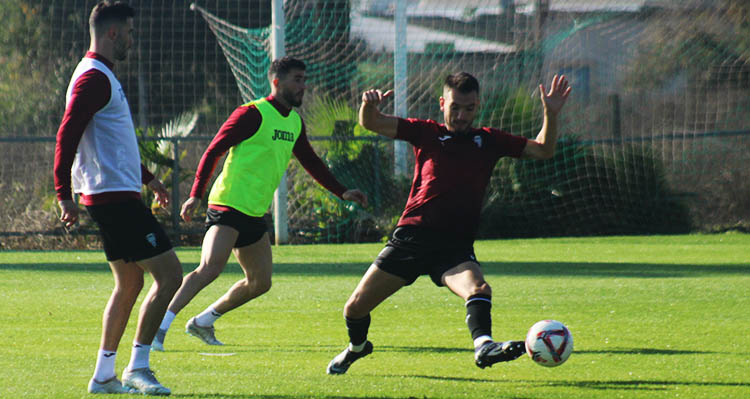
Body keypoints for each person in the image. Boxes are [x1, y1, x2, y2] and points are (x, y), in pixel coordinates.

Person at [326, 72, 571, 374]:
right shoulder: (425, 133)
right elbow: (371, 123)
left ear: (477, 106)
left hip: (453, 247)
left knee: (479, 287)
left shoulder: (489, 141)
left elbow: (544, 149)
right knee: (354, 309)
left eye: (469, 108)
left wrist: (550, 113)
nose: (461, 115)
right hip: (411, 240)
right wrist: (368, 106)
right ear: (442, 103)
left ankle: (484, 346)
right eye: (455, 107)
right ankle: (357, 348)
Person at [151, 56, 368, 351]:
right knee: (209, 268)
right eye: (297, 79)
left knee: (260, 282)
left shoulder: (294, 122)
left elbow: (312, 163)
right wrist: (196, 195)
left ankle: (203, 321)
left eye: (304, 79)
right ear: (277, 82)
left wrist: (341, 191)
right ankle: (157, 329)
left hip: (254, 212)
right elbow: (214, 150)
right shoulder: (251, 114)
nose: (303, 86)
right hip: (227, 204)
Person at [53, 1, 183, 395]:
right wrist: (63, 194)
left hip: (114, 194)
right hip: (112, 199)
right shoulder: (93, 77)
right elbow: (66, 135)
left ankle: (103, 376)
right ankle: (138, 367)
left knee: (129, 284)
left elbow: (115, 145)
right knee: (171, 275)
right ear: (112, 33)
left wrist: (150, 180)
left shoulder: (102, 74)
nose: (131, 38)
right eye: (128, 31)